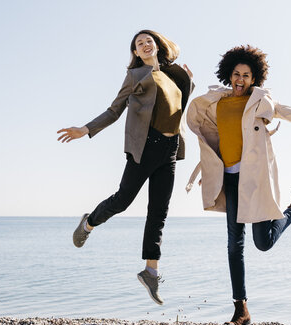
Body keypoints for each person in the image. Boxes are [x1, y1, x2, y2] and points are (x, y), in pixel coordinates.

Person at [186, 45, 291, 325]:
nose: (240, 79)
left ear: (254, 79)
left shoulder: (261, 102)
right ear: (229, 75)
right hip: (229, 179)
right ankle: (241, 309)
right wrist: (212, 169)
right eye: (236, 74)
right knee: (234, 244)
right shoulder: (216, 102)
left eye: (246, 75)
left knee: (263, 243)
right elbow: (212, 139)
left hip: (254, 179)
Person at [57, 29, 193, 305]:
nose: (144, 45)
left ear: (157, 45)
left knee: (159, 211)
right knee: (123, 200)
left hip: (169, 148)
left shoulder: (176, 74)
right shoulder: (135, 76)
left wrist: (190, 82)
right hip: (145, 146)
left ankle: (151, 271)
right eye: (138, 44)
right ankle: (90, 221)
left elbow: (177, 108)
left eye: (148, 41)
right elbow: (114, 110)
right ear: (135, 52)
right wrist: (85, 129)